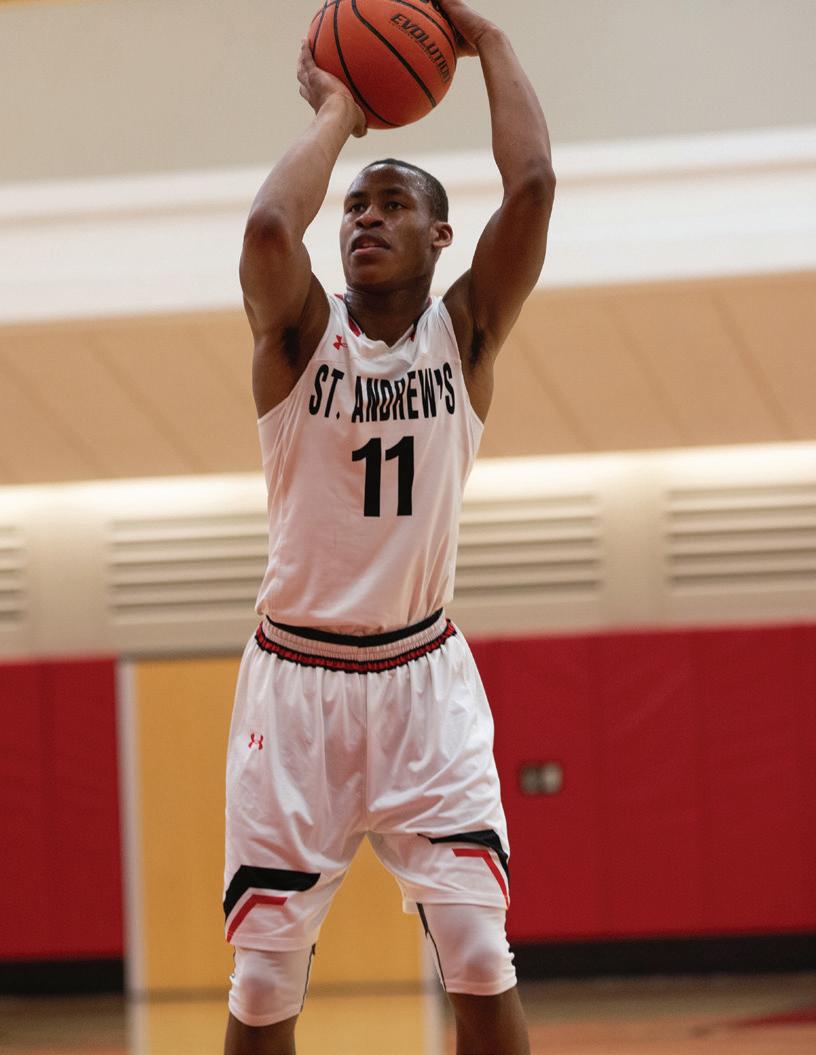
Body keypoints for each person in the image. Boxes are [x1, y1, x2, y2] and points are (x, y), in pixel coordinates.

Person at [223, 2, 554, 1052]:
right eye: (355, 207)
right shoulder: (300, 340)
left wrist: (489, 41)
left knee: (481, 953)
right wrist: (340, 113)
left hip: (423, 679)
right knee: (264, 982)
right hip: (295, 683)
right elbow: (269, 231)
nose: (363, 218)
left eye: (393, 203)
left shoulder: (465, 336)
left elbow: (533, 187)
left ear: (440, 236)